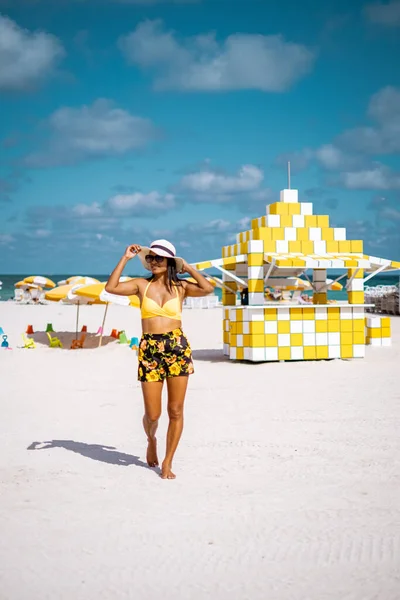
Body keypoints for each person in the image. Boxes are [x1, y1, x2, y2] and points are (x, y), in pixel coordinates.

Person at [105, 239, 214, 480]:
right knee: (153, 415)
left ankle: (168, 461)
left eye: (159, 258)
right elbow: (110, 288)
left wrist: (189, 267)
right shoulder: (141, 286)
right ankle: (151, 439)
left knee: (175, 410)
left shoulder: (182, 287)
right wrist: (125, 258)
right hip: (150, 349)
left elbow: (208, 289)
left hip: (177, 347)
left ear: (170, 262)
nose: (153, 262)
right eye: (151, 258)